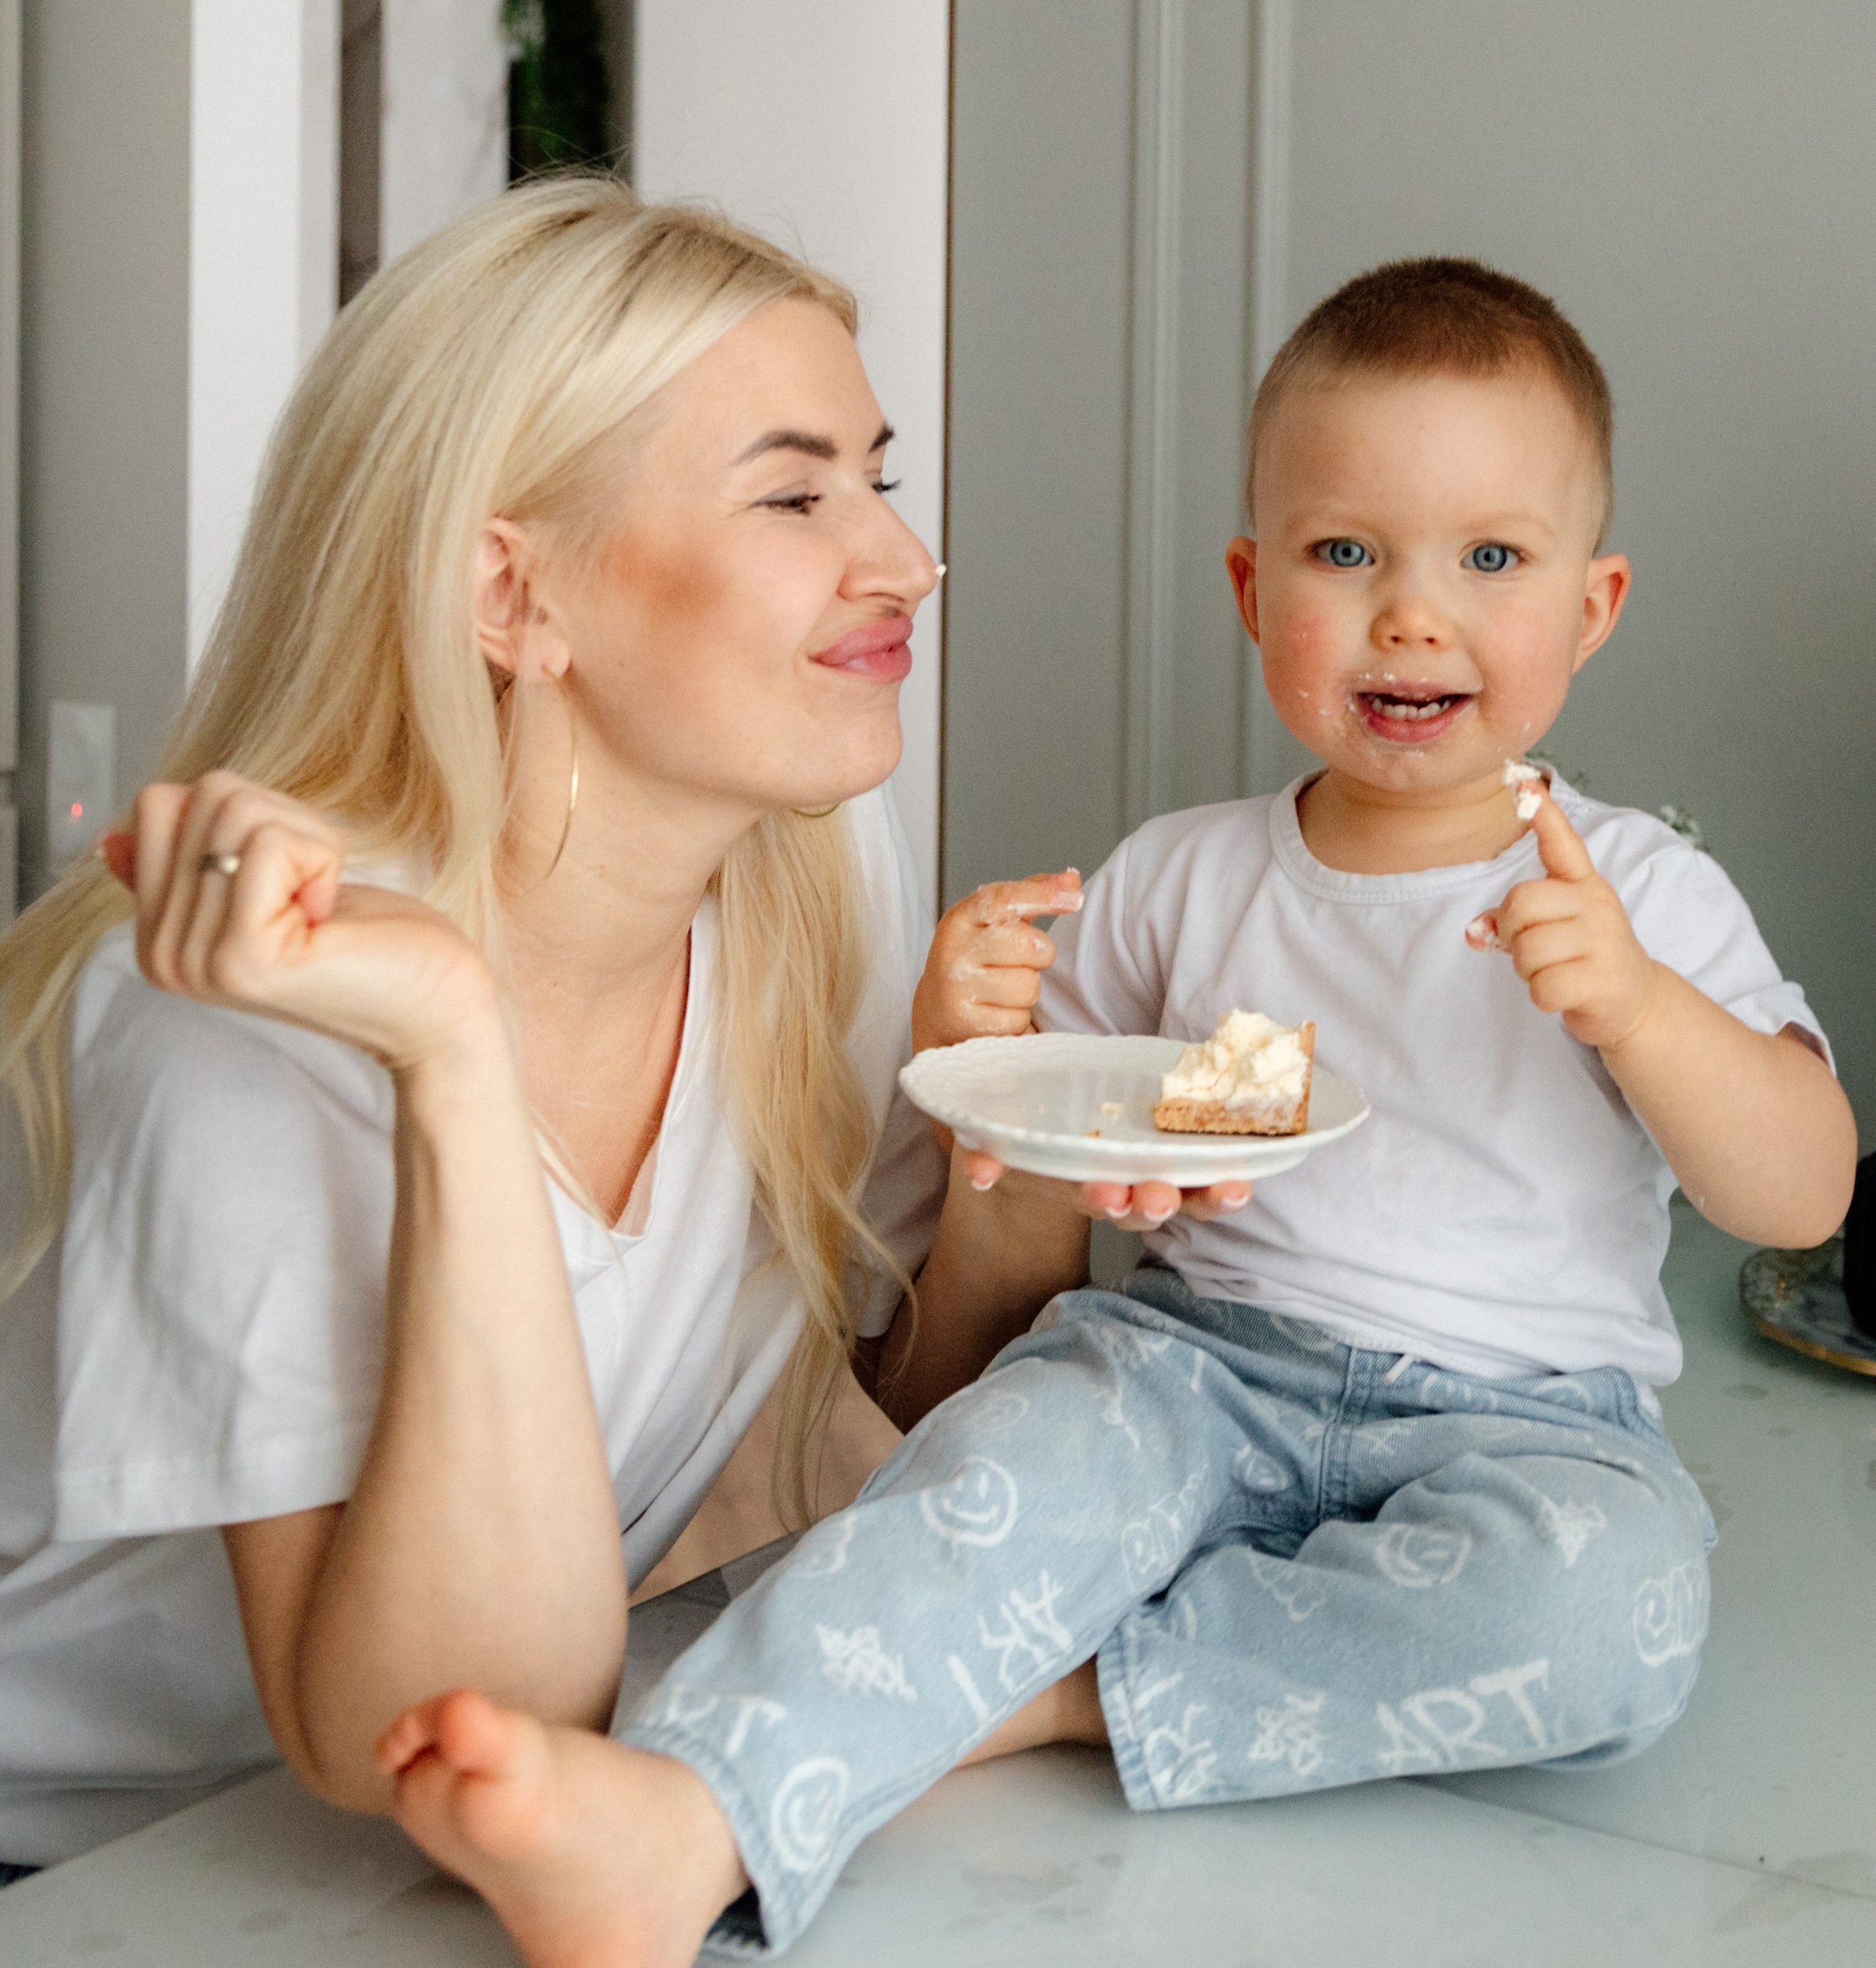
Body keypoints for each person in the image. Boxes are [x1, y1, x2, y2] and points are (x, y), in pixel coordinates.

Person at [365, 255, 1858, 1966]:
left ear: (1589, 610)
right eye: (1342, 553)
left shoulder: (1639, 891)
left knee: (1618, 1615)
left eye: (1489, 560)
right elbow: (1034, 1185)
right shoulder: (1176, 881)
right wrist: (977, 1054)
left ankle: (1064, 1691)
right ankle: (678, 1819)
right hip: (1192, 1367)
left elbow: (1803, 1194)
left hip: (1527, 1421)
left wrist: (1642, 1015)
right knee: (997, 1470)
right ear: (1249, 583)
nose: (1411, 614)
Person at [0, 178, 1138, 1871]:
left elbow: (877, 1401)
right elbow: (442, 1726)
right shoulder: (252, 1009)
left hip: (428, 1865)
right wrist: (452, 1047)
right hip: (101, 1874)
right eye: (793, 496)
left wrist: (1017, 1201)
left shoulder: (810, 863)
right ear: (510, 596)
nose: (905, 559)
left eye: (877, 479)